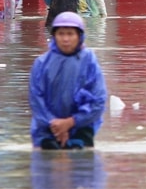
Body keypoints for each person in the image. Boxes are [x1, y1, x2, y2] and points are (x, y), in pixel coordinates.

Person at [28, 11, 108, 150]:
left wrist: (72, 122)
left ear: (79, 36)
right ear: (54, 36)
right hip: (46, 128)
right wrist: (54, 124)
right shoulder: (41, 63)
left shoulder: (89, 61)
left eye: (70, 34)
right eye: (61, 34)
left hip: (81, 126)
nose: (65, 39)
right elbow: (36, 100)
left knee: (82, 161)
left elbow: (98, 100)